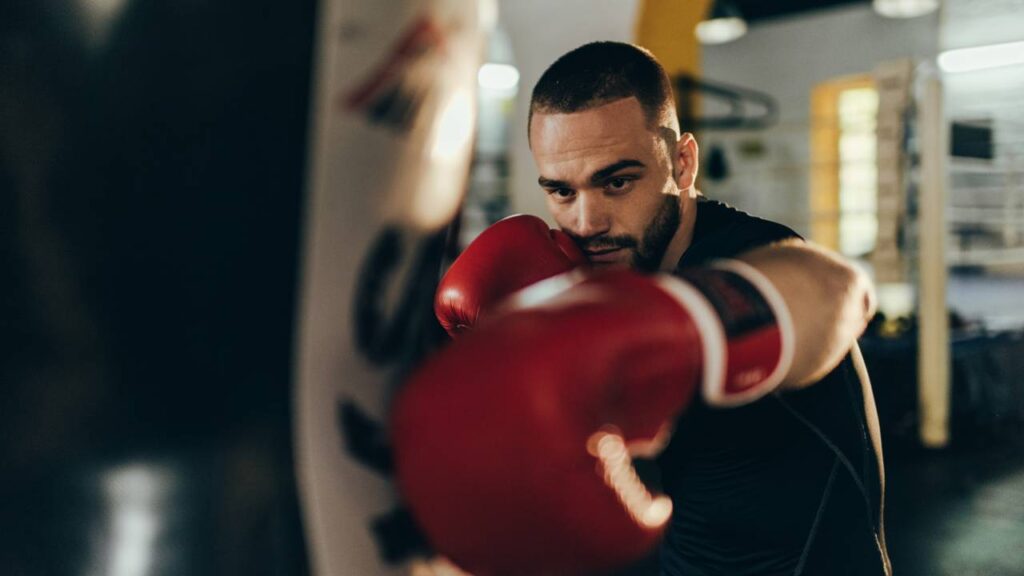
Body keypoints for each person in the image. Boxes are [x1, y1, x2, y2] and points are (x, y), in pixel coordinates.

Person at [394, 42, 891, 576]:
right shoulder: (581, 281)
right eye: (561, 192)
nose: (587, 222)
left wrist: (674, 327)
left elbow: (839, 291)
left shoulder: (743, 253)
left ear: (682, 163)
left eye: (617, 181)